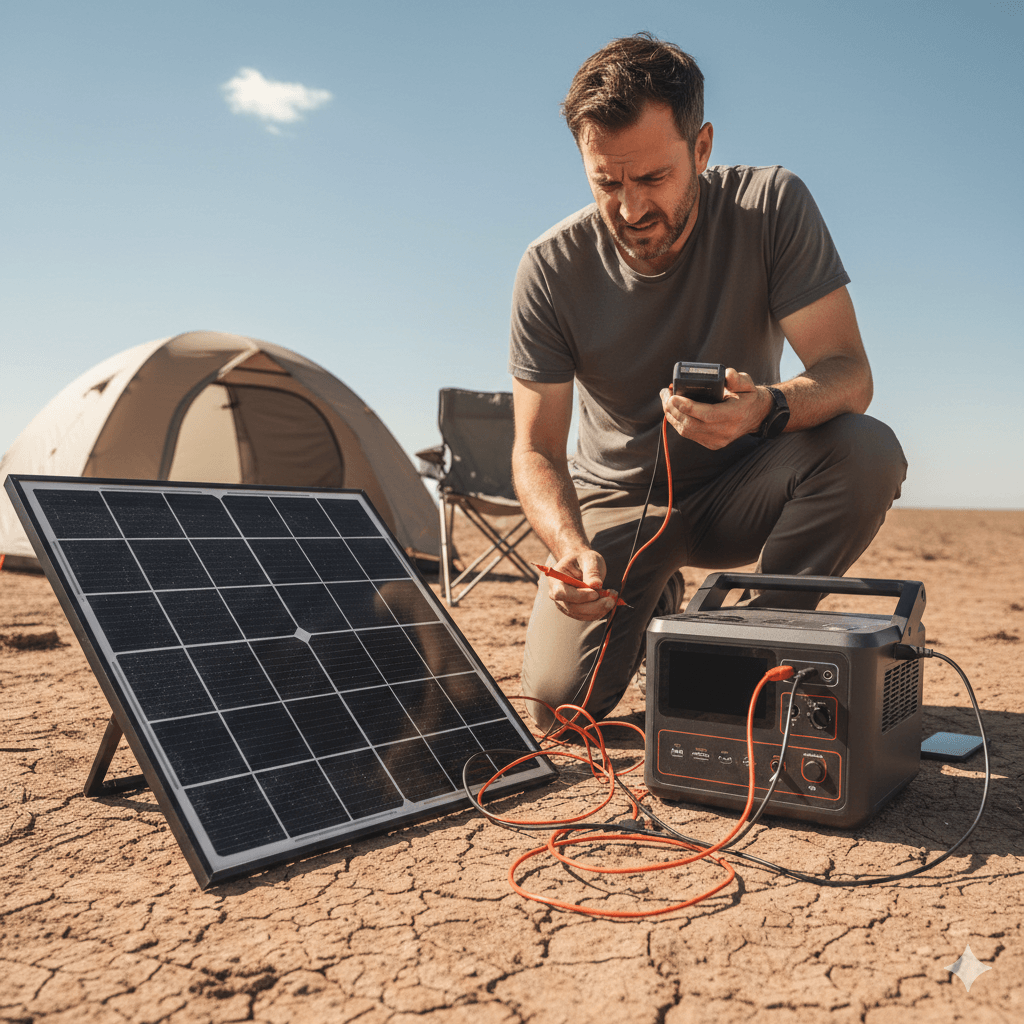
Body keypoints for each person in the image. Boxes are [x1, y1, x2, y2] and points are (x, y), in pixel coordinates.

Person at [508, 34, 907, 730]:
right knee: (558, 710)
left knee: (866, 449)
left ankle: (746, 643)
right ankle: (650, 593)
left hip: (743, 488)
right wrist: (568, 547)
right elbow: (536, 447)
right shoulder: (548, 268)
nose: (631, 209)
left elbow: (849, 373)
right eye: (607, 182)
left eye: (652, 178)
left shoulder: (772, 205)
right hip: (619, 505)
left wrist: (765, 409)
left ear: (701, 148)